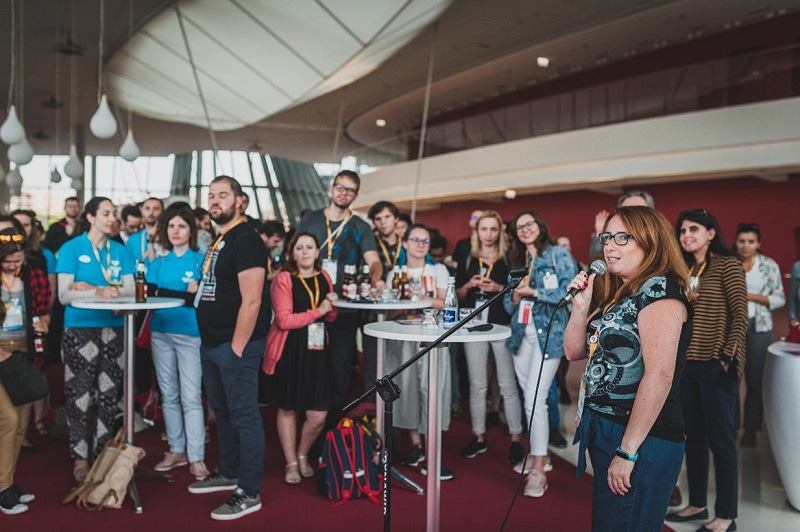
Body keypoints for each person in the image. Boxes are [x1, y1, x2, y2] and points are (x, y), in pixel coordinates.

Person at [564, 206, 693, 530]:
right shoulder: (625, 291)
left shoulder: (661, 291)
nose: (610, 245)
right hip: (610, 429)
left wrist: (628, 451)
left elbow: (660, 374)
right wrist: (580, 308)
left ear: (652, 242)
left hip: (642, 438)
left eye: (623, 237)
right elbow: (574, 350)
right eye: (607, 236)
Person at [188, 175, 269, 521]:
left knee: (244, 415)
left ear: (241, 201)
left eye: (223, 195)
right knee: (222, 413)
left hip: (235, 345)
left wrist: (236, 348)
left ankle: (248, 491)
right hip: (212, 342)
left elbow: (252, 301)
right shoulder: (220, 239)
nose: (215, 200)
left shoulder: (247, 240)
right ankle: (229, 471)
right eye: (211, 195)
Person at [666, 209, 748, 532]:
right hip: (687, 364)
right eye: (683, 230)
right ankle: (698, 505)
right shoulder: (683, 269)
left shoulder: (728, 264)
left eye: (694, 229)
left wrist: (726, 357)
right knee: (693, 439)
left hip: (717, 364)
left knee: (722, 442)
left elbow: (740, 314)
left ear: (711, 233)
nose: (686, 235)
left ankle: (726, 516)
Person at [56, 196, 136, 482]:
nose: (112, 218)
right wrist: (99, 292)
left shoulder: (120, 251)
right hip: (80, 329)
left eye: (114, 213)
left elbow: (130, 290)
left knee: (108, 395)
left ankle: (102, 454)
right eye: (106, 213)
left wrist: (91, 287)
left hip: (113, 328)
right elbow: (65, 295)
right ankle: (80, 457)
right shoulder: (71, 249)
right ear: (90, 217)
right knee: (78, 396)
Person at [296, 170, 383, 426]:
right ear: (331, 188)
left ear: (355, 195)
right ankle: (307, 428)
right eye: (340, 187)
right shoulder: (311, 220)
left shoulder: (360, 227)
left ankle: (331, 431)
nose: (343, 193)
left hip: (343, 310)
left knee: (338, 371)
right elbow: (295, 253)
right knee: (309, 368)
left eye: (350, 190)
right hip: (309, 307)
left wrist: (376, 278)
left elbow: (374, 260)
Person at [504, 209, 578, 497]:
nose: (525, 229)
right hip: (521, 335)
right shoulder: (517, 260)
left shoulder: (558, 254)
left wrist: (531, 293)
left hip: (550, 334)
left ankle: (536, 469)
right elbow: (510, 305)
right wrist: (514, 295)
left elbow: (568, 291)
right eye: (519, 227)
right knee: (530, 398)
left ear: (540, 225)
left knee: (537, 398)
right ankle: (541, 455)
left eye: (529, 224)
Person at [263, 232, 338, 485]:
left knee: (318, 416)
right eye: (299, 247)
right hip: (290, 349)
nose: (305, 252)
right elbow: (283, 320)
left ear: (318, 252)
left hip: (317, 349)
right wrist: (320, 310)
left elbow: (330, 318)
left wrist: (332, 306)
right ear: (292, 253)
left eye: (310, 247)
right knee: (287, 407)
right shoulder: (284, 279)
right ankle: (292, 462)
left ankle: (303, 452)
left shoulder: (325, 277)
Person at [454, 210, 524, 464]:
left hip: (502, 324)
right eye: (484, 229)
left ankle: (516, 439)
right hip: (474, 324)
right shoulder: (468, 257)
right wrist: (469, 286)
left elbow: (517, 292)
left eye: (493, 229)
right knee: (477, 384)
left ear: (500, 232)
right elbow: (458, 294)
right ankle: (479, 437)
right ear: (477, 231)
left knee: (507, 384)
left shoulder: (510, 257)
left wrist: (498, 288)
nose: (489, 234)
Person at [387, 224, 455, 479]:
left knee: (432, 391)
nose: (420, 244)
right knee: (407, 390)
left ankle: (432, 454)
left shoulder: (438, 269)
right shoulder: (396, 272)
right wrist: (405, 301)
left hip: (431, 338)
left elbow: (444, 303)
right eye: (415, 239)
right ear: (404, 243)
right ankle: (416, 445)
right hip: (402, 337)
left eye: (425, 240)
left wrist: (419, 299)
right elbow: (389, 311)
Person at [146, 207, 208, 480]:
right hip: (160, 332)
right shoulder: (158, 263)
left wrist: (168, 294)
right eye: (171, 226)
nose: (176, 231)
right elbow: (148, 294)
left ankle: (197, 457)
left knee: (191, 396)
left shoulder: (200, 261)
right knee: (168, 395)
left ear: (190, 231)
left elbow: (198, 300)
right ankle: (176, 449)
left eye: (181, 226)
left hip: (190, 335)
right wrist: (182, 294)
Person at [0, 228, 51, 514]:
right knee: (6, 419)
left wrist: (42, 322)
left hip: (23, 352)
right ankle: (2, 489)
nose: (12, 266)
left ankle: (6, 482)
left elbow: (44, 310)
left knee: (20, 423)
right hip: (0, 354)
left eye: (17, 261)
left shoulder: (33, 277)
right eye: (7, 261)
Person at [734, 223, 784, 448]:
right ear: (736, 242)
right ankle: (731, 424)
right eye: (742, 241)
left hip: (759, 326)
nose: (746, 245)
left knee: (754, 381)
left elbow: (779, 298)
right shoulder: (729, 263)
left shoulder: (768, 266)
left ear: (758, 243)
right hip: (732, 327)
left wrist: (750, 296)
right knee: (730, 379)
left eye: (751, 241)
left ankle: (751, 429)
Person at [589, 190, 654, 257]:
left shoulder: (659, 236)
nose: (631, 215)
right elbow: (596, 259)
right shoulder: (614, 235)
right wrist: (600, 231)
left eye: (638, 210)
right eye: (626, 211)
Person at [126, 197, 164, 268]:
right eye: (147, 208)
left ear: (163, 211)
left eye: (156, 209)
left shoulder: (169, 238)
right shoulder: (133, 239)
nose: (151, 212)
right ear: (142, 210)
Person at [368, 200, 403, 277]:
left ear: (396, 219)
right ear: (374, 222)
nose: (383, 222)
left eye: (387, 217)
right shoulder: (369, 245)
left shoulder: (407, 244)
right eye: (378, 219)